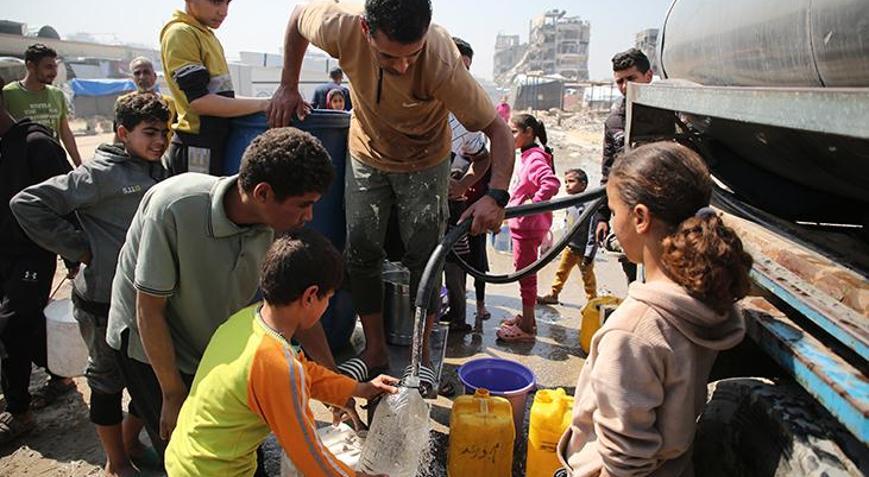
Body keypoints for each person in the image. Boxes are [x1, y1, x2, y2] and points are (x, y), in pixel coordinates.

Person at [268, 0, 514, 389]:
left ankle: (421, 356)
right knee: (362, 251)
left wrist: (496, 195)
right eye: (389, 56)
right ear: (366, 30)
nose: (401, 67)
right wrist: (287, 84)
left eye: (410, 57)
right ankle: (375, 349)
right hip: (367, 151)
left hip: (425, 160)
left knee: (425, 258)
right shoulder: (342, 25)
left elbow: (499, 131)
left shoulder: (442, 63)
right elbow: (299, 16)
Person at [105, 127, 336, 460]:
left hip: (209, 341)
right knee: (187, 449)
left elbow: (299, 308)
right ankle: (122, 458)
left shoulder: (277, 228)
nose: (309, 216)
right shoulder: (174, 207)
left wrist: (331, 382)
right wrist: (172, 392)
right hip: (150, 344)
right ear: (263, 193)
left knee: (225, 442)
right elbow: (148, 309)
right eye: (304, 204)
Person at [557, 142, 751, 476]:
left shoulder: (633, 333)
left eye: (614, 212)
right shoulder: (702, 297)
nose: (613, 222)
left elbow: (624, 463)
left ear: (641, 217)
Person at [10, 93, 170, 475]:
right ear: (122, 133)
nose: (160, 140)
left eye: (165, 131)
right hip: (102, 302)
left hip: (144, 301)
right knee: (107, 382)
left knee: (152, 377)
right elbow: (27, 203)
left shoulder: (156, 169)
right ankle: (116, 463)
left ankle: (131, 443)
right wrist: (83, 248)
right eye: (150, 132)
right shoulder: (99, 174)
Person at [165, 231, 396, 477]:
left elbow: (305, 371)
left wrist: (357, 389)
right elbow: (309, 455)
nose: (327, 304)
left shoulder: (247, 321)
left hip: (187, 456)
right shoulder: (278, 366)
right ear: (309, 296)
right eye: (328, 298)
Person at [0, 74, 75, 444]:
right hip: (4, 252)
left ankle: (20, 412)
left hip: (32, 253)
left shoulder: (36, 146)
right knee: (24, 322)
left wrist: (75, 256)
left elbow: (67, 205)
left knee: (11, 325)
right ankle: (60, 375)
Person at [160, 0, 270, 175]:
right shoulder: (181, 33)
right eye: (216, 2)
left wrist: (268, 103)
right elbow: (200, 102)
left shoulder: (206, 35)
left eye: (227, 3)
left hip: (216, 142)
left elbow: (224, 99)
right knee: (200, 199)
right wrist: (263, 104)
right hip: (197, 147)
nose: (224, 11)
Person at [497, 114, 560, 343]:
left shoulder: (534, 158)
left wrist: (532, 205)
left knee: (526, 276)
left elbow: (551, 183)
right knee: (524, 271)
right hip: (523, 224)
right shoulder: (527, 155)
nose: (510, 135)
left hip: (527, 226)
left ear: (529, 132)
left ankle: (527, 327)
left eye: (514, 131)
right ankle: (527, 317)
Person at [443, 37, 491, 333]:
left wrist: (463, 186)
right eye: (458, 68)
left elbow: (483, 158)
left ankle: (458, 319)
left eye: (467, 70)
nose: (462, 77)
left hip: (451, 207)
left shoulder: (465, 116)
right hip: (412, 206)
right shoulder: (411, 101)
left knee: (455, 262)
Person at [594, 48, 653, 284]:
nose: (625, 87)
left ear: (648, 76)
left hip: (660, 211)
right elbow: (608, 170)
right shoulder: (614, 121)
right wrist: (601, 216)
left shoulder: (672, 115)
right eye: (619, 81)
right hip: (628, 211)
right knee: (633, 274)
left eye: (631, 78)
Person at [2, 43, 81, 166]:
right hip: (22, 167)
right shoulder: (8, 94)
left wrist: (79, 165)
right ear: (30, 66)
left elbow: (65, 132)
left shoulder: (57, 94)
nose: (54, 72)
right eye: (48, 67)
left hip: (54, 163)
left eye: (55, 67)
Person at [537, 168, 598, 304]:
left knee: (587, 278)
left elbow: (592, 231)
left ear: (583, 185)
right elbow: (567, 224)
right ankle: (553, 295)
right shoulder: (570, 203)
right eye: (565, 182)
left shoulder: (590, 205)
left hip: (583, 251)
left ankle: (592, 302)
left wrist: (590, 253)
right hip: (569, 248)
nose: (567, 185)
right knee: (561, 272)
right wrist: (561, 243)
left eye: (571, 181)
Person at [114, 57, 177, 136]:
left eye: (146, 72)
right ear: (133, 78)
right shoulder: (123, 102)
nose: (142, 77)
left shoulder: (169, 103)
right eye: (137, 73)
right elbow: (118, 135)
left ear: (154, 76)